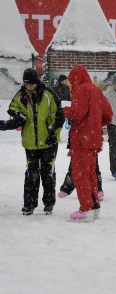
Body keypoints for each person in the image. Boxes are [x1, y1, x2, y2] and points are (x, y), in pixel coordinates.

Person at [0, 68, 64, 215]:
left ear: (37, 82)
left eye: (32, 84)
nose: (30, 87)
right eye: (27, 84)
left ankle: (49, 203)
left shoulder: (48, 94)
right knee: (31, 173)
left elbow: (59, 116)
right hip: (30, 142)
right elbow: (12, 107)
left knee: (47, 172)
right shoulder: (21, 95)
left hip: (48, 141)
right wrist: (17, 115)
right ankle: (29, 204)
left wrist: (53, 133)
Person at [62, 64, 113, 222]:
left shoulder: (80, 90)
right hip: (93, 139)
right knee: (90, 174)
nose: (71, 85)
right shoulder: (96, 89)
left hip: (82, 140)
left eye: (71, 81)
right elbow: (108, 114)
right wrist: (95, 124)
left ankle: (86, 209)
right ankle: (94, 207)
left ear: (76, 78)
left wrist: (64, 111)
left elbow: (77, 114)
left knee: (81, 176)